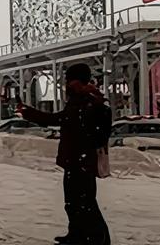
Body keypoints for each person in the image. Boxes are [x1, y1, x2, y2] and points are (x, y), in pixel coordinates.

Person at [17, 64, 111, 245]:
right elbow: (62, 119)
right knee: (73, 202)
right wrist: (28, 113)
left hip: (82, 160)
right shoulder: (81, 99)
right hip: (76, 159)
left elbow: (60, 120)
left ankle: (98, 239)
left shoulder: (87, 101)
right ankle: (76, 234)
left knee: (85, 203)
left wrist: (29, 113)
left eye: (69, 80)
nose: (66, 84)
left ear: (77, 81)